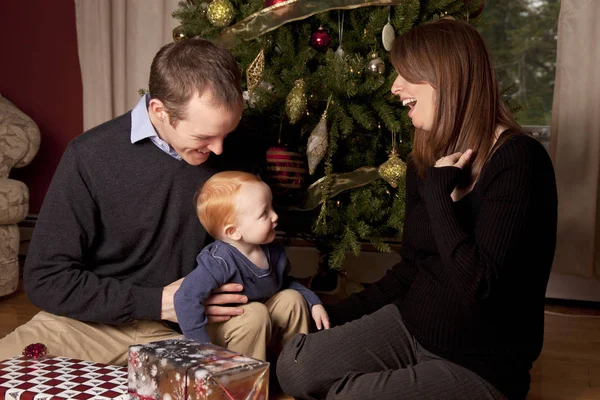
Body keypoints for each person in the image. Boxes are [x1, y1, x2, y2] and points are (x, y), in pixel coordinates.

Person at [276, 18, 558, 400]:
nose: (394, 88)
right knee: (295, 366)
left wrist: (441, 196)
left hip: (479, 364)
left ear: (446, 76)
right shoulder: (423, 161)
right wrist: (334, 314)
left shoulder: (519, 161)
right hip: (410, 328)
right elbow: (411, 268)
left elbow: (478, 288)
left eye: (407, 75)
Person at [0, 38, 307, 365]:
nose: (219, 150)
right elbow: (46, 279)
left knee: (254, 321)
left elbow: (252, 249)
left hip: (193, 325)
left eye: (226, 134)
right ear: (159, 111)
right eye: (203, 137)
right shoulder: (90, 156)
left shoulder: (240, 148)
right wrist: (157, 301)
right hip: (93, 325)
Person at [174, 171, 330, 360]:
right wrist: (203, 351)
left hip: (261, 328)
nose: (275, 216)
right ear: (233, 231)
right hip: (226, 334)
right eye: (264, 213)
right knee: (255, 313)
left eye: (271, 207)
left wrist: (313, 302)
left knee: (292, 299)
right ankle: (241, 380)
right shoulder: (219, 261)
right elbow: (185, 298)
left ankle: (293, 367)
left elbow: (285, 283)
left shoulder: (272, 251)